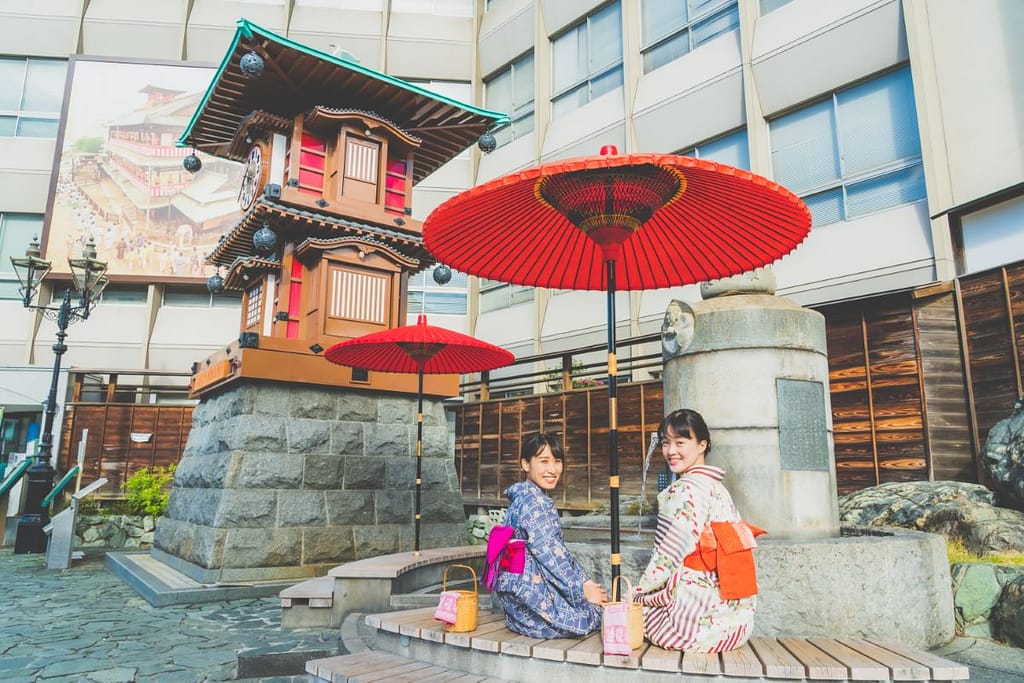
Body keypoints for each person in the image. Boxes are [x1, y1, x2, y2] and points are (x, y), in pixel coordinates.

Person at [633, 409, 762, 653]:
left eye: (680, 443)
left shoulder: (683, 490)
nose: (671, 451)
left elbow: (666, 558)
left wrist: (638, 593)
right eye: (665, 443)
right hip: (736, 624)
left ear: (702, 445)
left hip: (694, 627)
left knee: (635, 612)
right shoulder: (717, 488)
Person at [491, 433, 607, 638]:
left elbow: (553, 550)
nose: (552, 470)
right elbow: (552, 556)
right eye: (543, 461)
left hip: (515, 597)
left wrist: (585, 581)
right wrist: (584, 590)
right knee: (594, 617)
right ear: (525, 464)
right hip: (527, 596)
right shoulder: (535, 502)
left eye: (557, 461)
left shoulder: (522, 496)